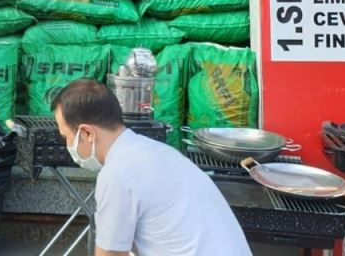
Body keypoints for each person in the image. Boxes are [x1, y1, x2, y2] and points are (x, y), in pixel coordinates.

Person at [52, 79, 252, 256]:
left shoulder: (117, 174)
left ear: (86, 133)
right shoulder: (159, 151)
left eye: (66, 137)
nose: (68, 144)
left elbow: (110, 254)